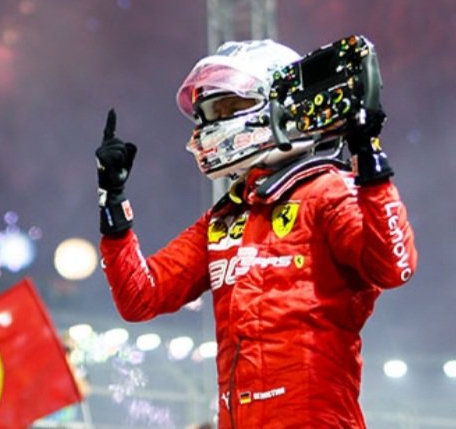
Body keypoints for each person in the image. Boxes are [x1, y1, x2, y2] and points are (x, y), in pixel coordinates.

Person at [96, 38, 418, 428]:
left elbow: (393, 268)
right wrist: (113, 202)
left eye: (228, 108)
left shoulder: (328, 191)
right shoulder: (226, 217)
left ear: (277, 105)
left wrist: (369, 159)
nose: (211, 125)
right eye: (208, 114)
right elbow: (140, 298)